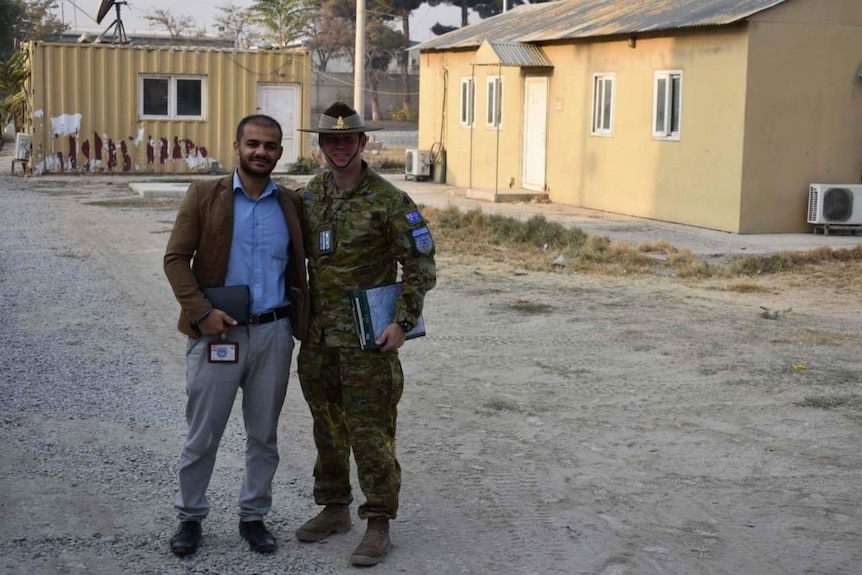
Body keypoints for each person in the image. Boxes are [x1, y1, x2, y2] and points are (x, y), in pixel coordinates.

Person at [293, 102, 436, 566]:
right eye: (330, 141)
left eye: (347, 140)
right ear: (322, 145)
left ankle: (378, 522)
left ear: (362, 143)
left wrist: (403, 321)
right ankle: (334, 509)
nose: (338, 148)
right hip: (317, 340)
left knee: (370, 432)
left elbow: (420, 265)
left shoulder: (389, 201)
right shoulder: (310, 196)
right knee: (326, 427)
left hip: (368, 341)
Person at [163, 114, 309, 557]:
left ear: (280, 153)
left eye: (270, 145)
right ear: (237, 146)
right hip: (217, 336)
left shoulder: (291, 204)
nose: (261, 151)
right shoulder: (205, 195)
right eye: (253, 143)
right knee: (203, 433)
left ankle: (253, 516)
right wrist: (202, 312)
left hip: (274, 334)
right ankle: (190, 517)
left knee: (263, 434)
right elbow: (175, 260)